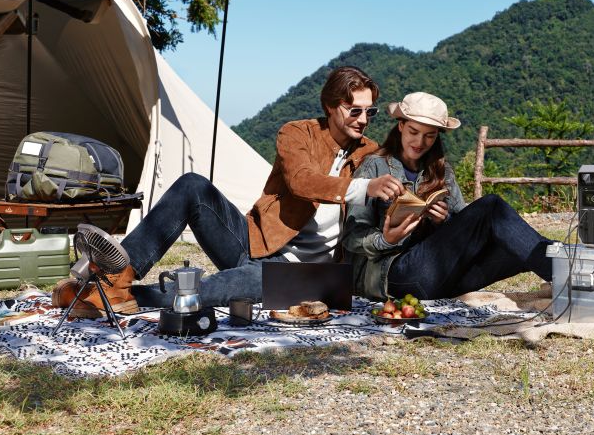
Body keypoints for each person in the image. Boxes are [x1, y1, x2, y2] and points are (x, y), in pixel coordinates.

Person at [53, 65, 406, 316]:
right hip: (257, 245)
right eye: (354, 110)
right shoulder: (296, 133)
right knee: (193, 185)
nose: (362, 119)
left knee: (225, 286)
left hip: (314, 276)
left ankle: (103, 295)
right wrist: (362, 187)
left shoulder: (371, 154)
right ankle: (115, 275)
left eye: (370, 112)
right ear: (330, 106)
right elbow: (301, 181)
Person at [344, 91, 553, 301]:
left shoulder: (442, 171)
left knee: (521, 248)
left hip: (439, 277)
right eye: (413, 131)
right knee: (492, 207)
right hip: (394, 276)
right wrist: (386, 240)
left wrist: (444, 221)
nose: (420, 141)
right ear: (400, 126)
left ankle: (572, 268)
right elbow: (351, 236)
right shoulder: (375, 166)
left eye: (430, 135)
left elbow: (470, 230)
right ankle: (564, 272)